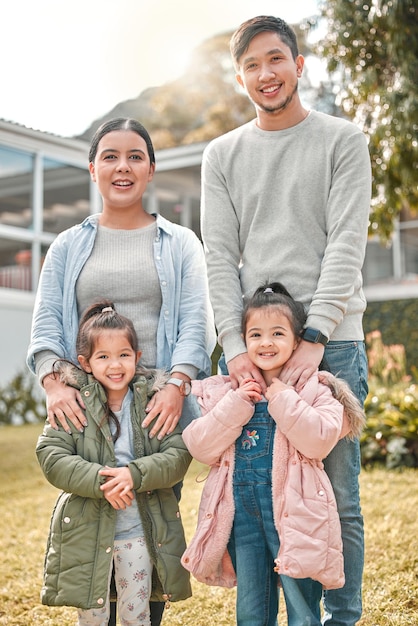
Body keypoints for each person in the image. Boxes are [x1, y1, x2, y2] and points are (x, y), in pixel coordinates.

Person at [200, 16, 371, 625]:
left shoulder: (343, 139)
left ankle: (340, 618)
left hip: (335, 345)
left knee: (337, 498)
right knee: (267, 502)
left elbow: (348, 240)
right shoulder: (221, 155)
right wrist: (232, 344)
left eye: (276, 60)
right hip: (260, 353)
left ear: (299, 65)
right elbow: (218, 256)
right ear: (241, 75)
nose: (265, 74)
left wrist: (317, 334)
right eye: (252, 64)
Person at [27, 117, 216, 625]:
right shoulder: (68, 245)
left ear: (151, 169)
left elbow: (199, 322)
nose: (122, 166)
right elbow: (46, 320)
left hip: (156, 411)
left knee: (152, 539)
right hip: (91, 412)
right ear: (93, 169)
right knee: (95, 535)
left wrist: (177, 385)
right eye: (110, 156)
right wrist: (51, 381)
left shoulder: (180, 243)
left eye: (135, 156)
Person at [181, 283, 365, 626]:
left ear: (297, 342)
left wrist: (281, 397)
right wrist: (237, 405)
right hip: (244, 520)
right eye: (256, 334)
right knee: (251, 609)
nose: (266, 342)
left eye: (277, 333)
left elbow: (319, 441)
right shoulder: (227, 391)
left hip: (298, 519)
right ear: (242, 342)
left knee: (302, 610)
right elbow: (199, 446)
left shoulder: (315, 389)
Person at [36, 302, 192, 625]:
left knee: (136, 615)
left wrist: (133, 475)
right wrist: (102, 481)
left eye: (123, 355)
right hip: (90, 534)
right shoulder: (75, 402)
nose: (115, 365)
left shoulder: (153, 402)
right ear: (86, 363)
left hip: (138, 534)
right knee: (93, 617)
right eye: (103, 357)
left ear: (136, 356)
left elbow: (178, 454)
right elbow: (51, 455)